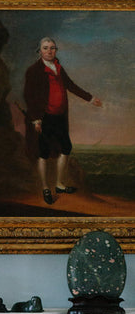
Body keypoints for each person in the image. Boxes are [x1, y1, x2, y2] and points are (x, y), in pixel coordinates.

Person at [23, 37, 102, 206]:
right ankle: (45, 188)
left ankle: (59, 184)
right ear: (40, 51)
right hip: (44, 118)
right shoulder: (33, 70)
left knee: (66, 147)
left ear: (56, 50)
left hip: (60, 116)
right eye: (46, 48)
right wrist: (35, 119)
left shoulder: (58, 67)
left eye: (52, 48)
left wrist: (90, 98)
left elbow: (71, 86)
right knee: (43, 152)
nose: (50, 51)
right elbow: (29, 96)